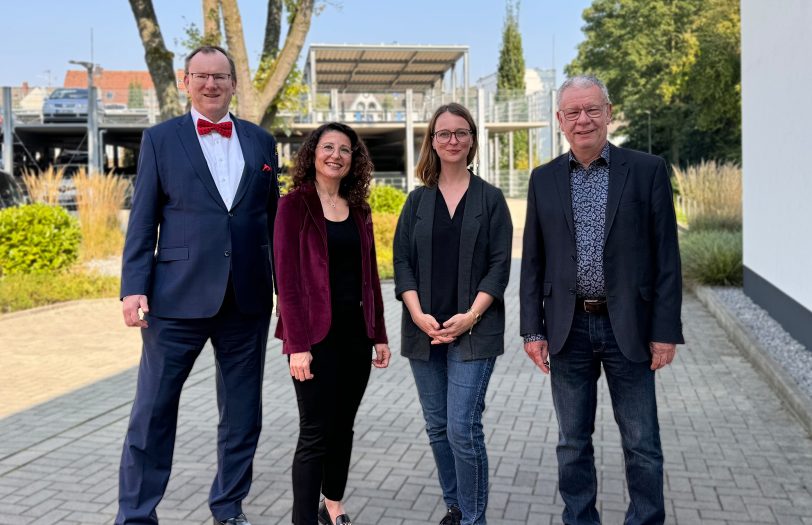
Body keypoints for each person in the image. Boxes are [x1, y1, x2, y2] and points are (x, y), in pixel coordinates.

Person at [116, 45, 279, 525]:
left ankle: (229, 508)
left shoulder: (261, 141)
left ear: (233, 83)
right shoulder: (161, 139)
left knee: (243, 415)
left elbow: (272, 221)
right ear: (186, 81)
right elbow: (143, 219)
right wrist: (133, 288)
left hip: (246, 299)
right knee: (153, 412)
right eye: (201, 76)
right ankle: (137, 515)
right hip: (175, 299)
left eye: (221, 77)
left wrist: (287, 294)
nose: (212, 85)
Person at [519, 75, 683, 525]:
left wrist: (665, 331)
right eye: (572, 112)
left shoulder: (647, 170)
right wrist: (532, 329)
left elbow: (667, 257)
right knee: (572, 442)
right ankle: (580, 519)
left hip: (628, 326)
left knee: (641, 442)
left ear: (608, 113)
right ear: (560, 121)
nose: (583, 119)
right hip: (567, 329)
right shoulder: (544, 179)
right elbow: (532, 261)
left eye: (592, 109)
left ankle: (645, 520)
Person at [393, 103, 512, 525]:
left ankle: (473, 518)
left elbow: (500, 266)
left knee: (463, 429)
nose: (452, 141)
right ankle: (456, 506)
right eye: (443, 134)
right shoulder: (417, 201)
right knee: (439, 427)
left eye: (461, 133)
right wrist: (417, 312)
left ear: (472, 140)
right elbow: (401, 262)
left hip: (473, 332)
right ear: (432, 141)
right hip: (422, 329)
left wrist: (471, 316)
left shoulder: (491, 199)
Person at [273, 122, 391, 525]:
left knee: (344, 428)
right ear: (313, 153)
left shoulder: (359, 209)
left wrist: (379, 334)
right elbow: (286, 280)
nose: (336, 155)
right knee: (315, 434)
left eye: (345, 149)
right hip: (314, 339)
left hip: (356, 336)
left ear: (353, 160)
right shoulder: (293, 205)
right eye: (328, 147)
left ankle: (333, 507)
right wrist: (297, 345)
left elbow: (370, 274)